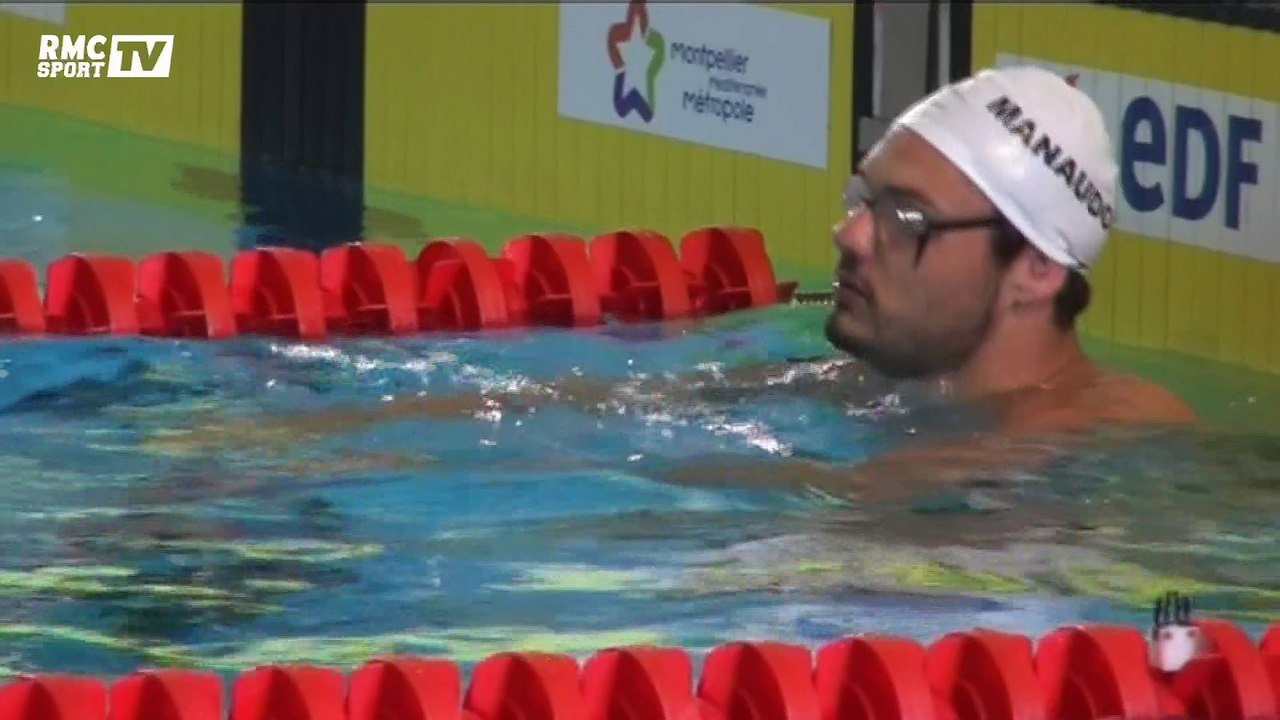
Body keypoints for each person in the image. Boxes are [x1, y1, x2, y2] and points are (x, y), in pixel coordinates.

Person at [194, 65, 1195, 500]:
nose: (849, 234)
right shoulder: (869, 390)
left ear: (1033, 271)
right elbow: (582, 411)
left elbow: (839, 506)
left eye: (902, 219)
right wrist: (305, 444)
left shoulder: (1112, 438)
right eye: (861, 197)